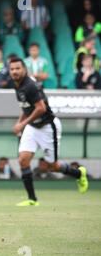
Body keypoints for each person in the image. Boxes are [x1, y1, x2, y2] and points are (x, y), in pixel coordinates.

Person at [9, 57, 89, 206]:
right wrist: (20, 122)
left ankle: (79, 173)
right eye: (12, 69)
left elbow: (41, 108)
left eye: (17, 68)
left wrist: (22, 124)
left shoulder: (30, 85)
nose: (14, 71)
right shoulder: (16, 85)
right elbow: (26, 107)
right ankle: (32, 199)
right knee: (23, 160)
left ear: (24, 70)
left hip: (48, 127)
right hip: (32, 127)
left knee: (53, 166)